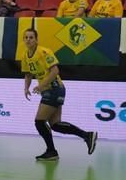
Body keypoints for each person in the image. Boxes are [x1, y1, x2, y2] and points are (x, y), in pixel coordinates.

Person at [21, 28, 97, 161]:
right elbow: (28, 74)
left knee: (39, 121)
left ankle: (51, 151)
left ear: (36, 39)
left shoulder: (44, 52)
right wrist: (26, 88)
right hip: (49, 90)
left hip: (55, 89)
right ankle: (87, 135)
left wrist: (41, 85)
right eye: (26, 37)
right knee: (55, 125)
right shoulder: (25, 55)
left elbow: (55, 70)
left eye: (31, 37)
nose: (28, 40)